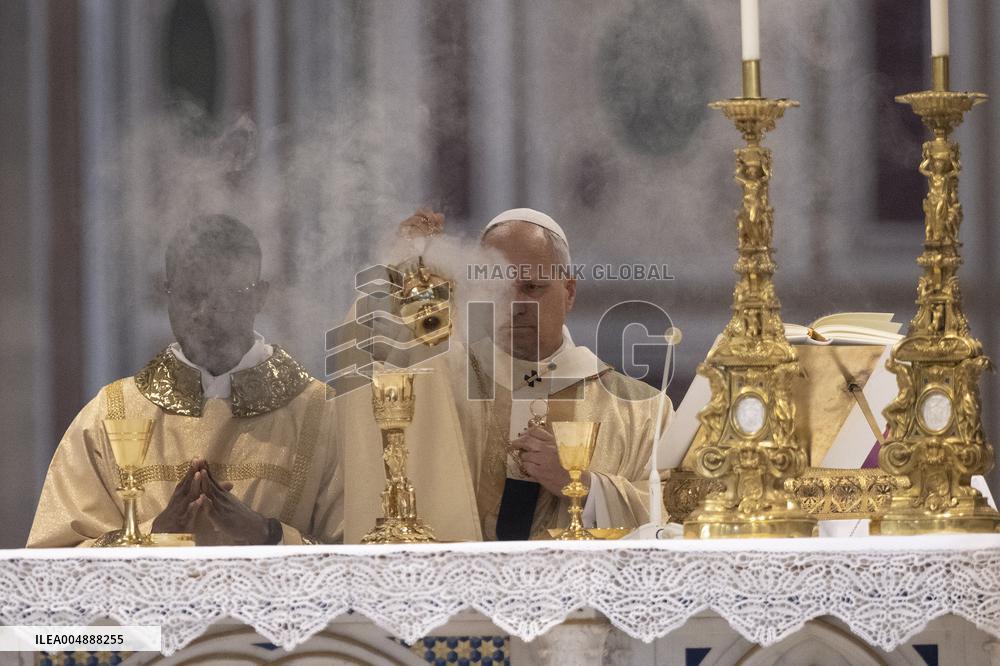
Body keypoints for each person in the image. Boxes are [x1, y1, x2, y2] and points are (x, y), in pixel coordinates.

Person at [339, 208, 670, 541]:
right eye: (497, 287)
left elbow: (675, 512)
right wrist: (404, 270)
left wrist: (584, 485)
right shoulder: (445, 384)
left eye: (532, 287)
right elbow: (375, 366)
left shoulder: (639, 410)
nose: (514, 304)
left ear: (569, 291)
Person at [28, 215, 341, 547]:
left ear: (259, 296)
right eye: (191, 294)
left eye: (229, 294)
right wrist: (155, 534)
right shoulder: (111, 415)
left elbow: (361, 555)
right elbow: (55, 558)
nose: (206, 312)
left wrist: (269, 535)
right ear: (167, 293)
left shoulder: (321, 414)